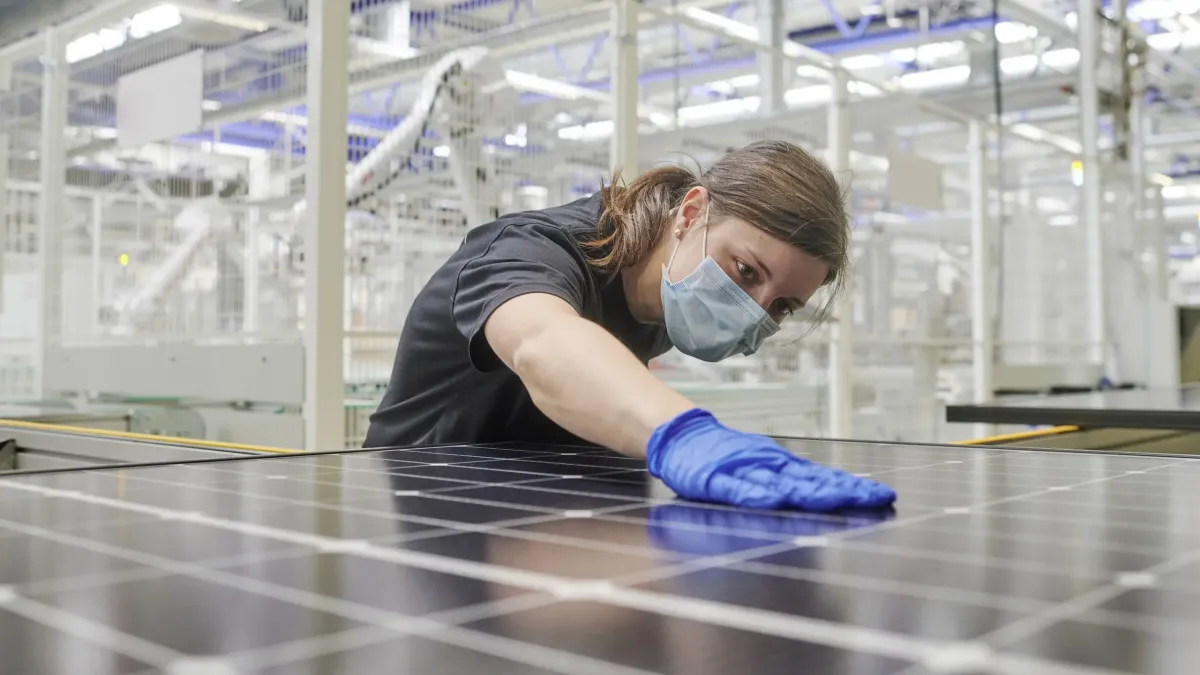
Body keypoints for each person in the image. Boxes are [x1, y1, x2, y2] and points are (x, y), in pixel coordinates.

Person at [364, 140, 896, 512]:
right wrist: (685, 435)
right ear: (690, 213)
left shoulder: (664, 300)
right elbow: (542, 342)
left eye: (783, 306)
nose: (755, 309)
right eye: (745, 270)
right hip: (416, 501)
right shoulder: (533, 250)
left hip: (533, 507)